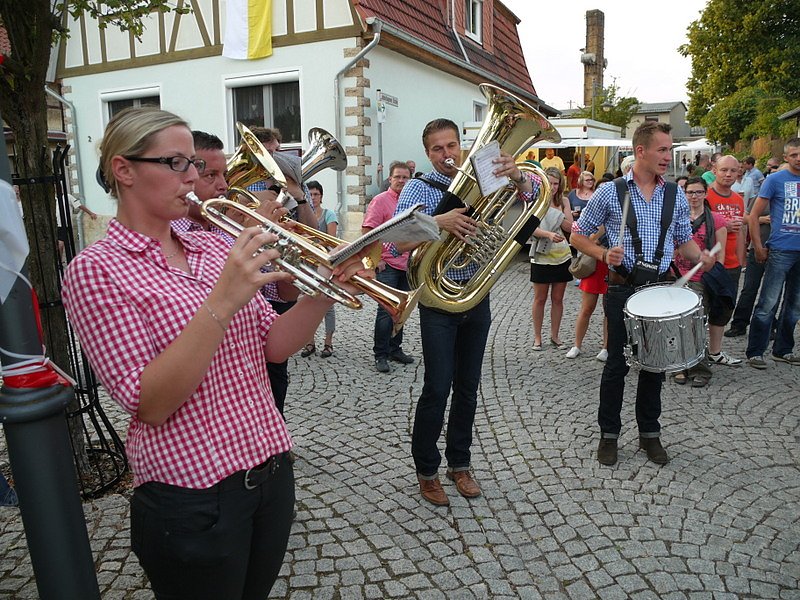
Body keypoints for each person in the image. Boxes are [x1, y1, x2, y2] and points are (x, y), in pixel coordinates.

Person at [62, 107, 368, 599]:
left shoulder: (210, 247)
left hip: (268, 471)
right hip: (191, 497)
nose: (194, 178)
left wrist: (325, 290)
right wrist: (222, 301)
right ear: (125, 170)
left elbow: (272, 346)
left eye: (195, 166)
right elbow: (151, 402)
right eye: (178, 164)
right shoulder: (95, 271)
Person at [393, 118, 538, 506]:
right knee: (437, 387)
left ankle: (460, 464)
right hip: (438, 301)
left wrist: (519, 179)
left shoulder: (484, 178)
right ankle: (427, 470)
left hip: (476, 294)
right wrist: (438, 221)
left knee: (468, 389)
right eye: (438, 149)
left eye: (452, 146)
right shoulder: (417, 189)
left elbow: (532, 207)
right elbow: (399, 242)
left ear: (462, 146)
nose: (447, 154)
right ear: (427, 153)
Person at [570, 121, 715, 467]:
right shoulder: (611, 191)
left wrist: (702, 258)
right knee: (617, 366)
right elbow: (577, 236)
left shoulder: (674, 194)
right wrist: (604, 254)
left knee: (653, 367)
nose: (669, 156)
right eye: (662, 149)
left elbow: (683, 242)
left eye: (669, 149)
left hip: (659, 289)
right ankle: (609, 435)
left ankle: (650, 434)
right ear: (641, 151)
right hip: (622, 289)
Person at [672, 177, 735, 387]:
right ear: (684, 194)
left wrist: (710, 268)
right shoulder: (676, 218)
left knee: (697, 323)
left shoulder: (716, 220)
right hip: (677, 274)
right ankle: (679, 365)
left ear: (705, 194)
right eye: (690, 192)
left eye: (699, 192)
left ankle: (699, 367)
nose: (694, 197)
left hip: (701, 278)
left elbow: (721, 255)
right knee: (676, 322)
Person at [745, 138, 800, 369]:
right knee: (768, 302)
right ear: (786, 157)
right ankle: (756, 351)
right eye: (794, 154)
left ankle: (783, 349)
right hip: (780, 249)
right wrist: (758, 246)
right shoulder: (775, 180)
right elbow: (754, 215)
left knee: (795, 305)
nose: (799, 158)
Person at [362, 161, 415, 373]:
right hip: (388, 265)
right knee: (386, 310)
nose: (401, 181)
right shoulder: (380, 201)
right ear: (390, 179)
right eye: (397, 177)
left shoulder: (412, 201)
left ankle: (395, 349)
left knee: (401, 310)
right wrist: (376, 260)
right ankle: (380, 354)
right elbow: (367, 232)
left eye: (405, 177)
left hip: (408, 264)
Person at [530, 167, 573, 350]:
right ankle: (537, 337)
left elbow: (570, 228)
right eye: (550, 183)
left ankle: (555, 336)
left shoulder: (563, 201)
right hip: (541, 254)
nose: (553, 187)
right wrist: (547, 233)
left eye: (556, 183)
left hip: (561, 255)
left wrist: (559, 216)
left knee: (558, 298)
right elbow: (528, 227)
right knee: (540, 298)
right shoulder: (535, 200)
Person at [300, 180, 338, 358]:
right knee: (306, 303)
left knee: (326, 306)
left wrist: (310, 240)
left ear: (321, 196)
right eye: (311, 194)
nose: (313, 197)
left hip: (323, 264)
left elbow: (331, 240)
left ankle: (328, 343)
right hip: (306, 264)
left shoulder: (329, 215)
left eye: (316, 194)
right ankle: (309, 342)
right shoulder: (301, 215)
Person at [706, 155, 746, 314]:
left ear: (738, 173)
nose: (728, 174)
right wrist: (722, 227)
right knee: (705, 311)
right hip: (710, 262)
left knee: (724, 312)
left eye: (733, 171)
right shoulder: (705, 196)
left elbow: (740, 231)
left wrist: (741, 260)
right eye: (724, 170)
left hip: (732, 265)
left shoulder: (738, 199)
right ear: (714, 171)